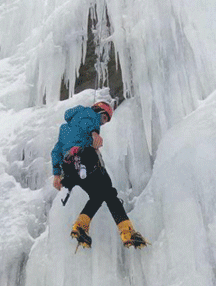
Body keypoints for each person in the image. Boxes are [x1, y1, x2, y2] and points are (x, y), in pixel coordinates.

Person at [51, 100, 148, 249]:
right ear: (99, 111)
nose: (102, 124)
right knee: (109, 192)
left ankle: (81, 226)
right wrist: (94, 132)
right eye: (104, 118)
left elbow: (56, 151)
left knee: (98, 196)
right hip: (84, 157)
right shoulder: (87, 113)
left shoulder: (65, 129)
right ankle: (127, 231)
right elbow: (87, 121)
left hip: (70, 169)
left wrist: (56, 175)